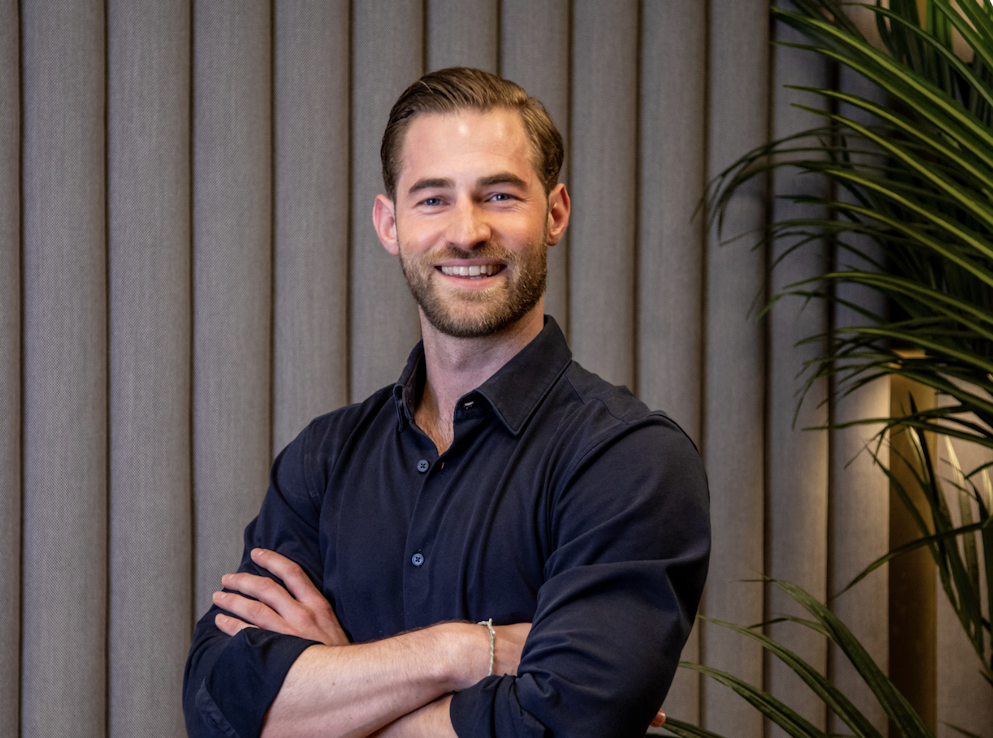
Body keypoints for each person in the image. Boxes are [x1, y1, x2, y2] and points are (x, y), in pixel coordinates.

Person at [183, 67, 710, 738]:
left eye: (499, 195)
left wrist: (336, 688)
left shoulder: (629, 461)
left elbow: (563, 725)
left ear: (554, 214)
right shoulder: (321, 461)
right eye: (433, 199)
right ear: (390, 224)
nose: (467, 231)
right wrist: (462, 652)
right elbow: (217, 708)